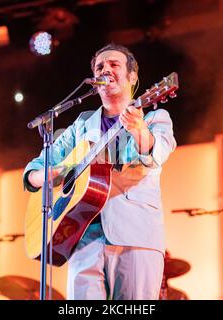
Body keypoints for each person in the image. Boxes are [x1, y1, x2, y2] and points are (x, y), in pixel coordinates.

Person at [23, 43, 176, 300]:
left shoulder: (154, 118)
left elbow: (156, 155)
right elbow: (34, 169)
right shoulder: (80, 126)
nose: (105, 70)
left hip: (135, 237)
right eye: (99, 67)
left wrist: (138, 129)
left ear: (132, 76)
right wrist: (47, 176)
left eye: (114, 65)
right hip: (81, 237)